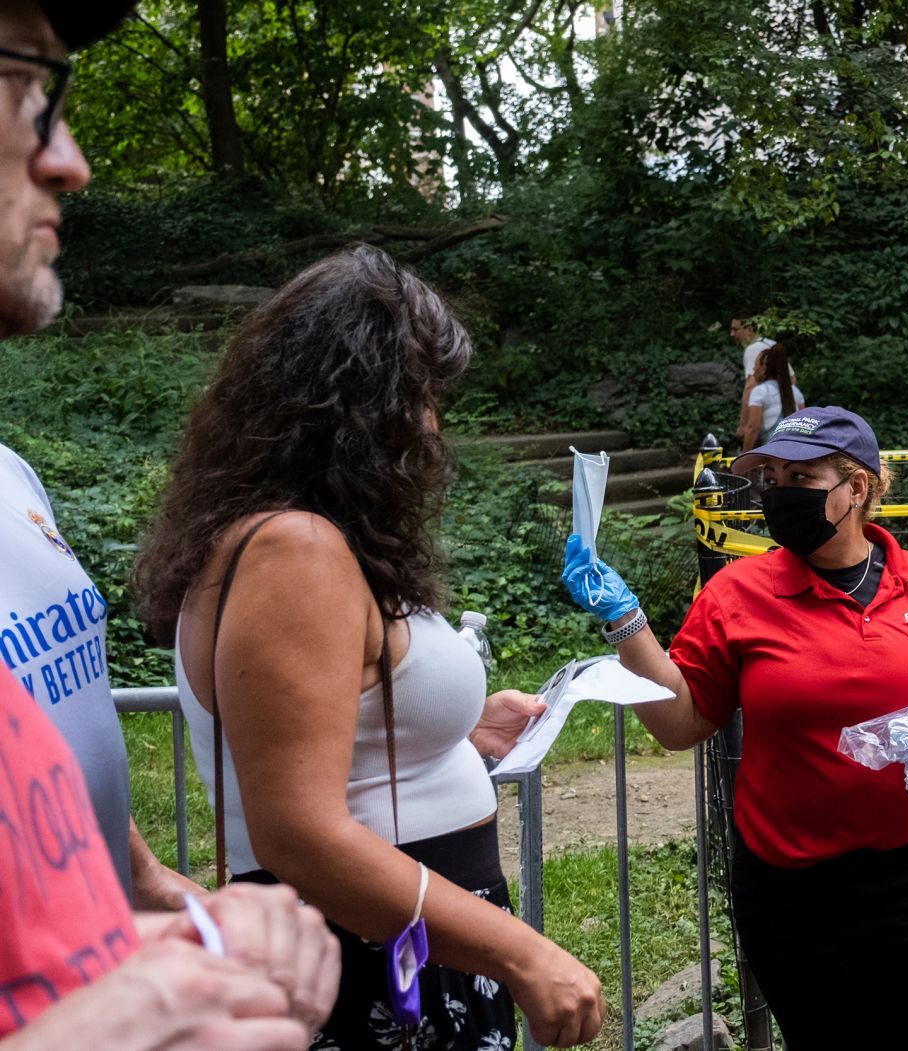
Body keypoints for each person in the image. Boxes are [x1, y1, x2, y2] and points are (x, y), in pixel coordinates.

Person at [132, 247, 604, 1050]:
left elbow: (334, 741)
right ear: (359, 406)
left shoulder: (302, 537)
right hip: (369, 959)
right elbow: (298, 830)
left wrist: (450, 734)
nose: (432, 425)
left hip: (406, 940)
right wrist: (520, 952)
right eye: (420, 397)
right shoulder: (295, 550)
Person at [0, 3, 339, 1048]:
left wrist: (172, 910)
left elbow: (54, 788)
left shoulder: (12, 478)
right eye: (27, 94)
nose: (71, 162)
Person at [562, 406, 908, 1049]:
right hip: (795, 891)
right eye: (770, 477)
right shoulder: (737, 593)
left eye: (800, 478)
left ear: (856, 488)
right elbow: (681, 724)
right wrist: (626, 624)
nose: (778, 493)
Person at [740, 341, 805, 451]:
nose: (754, 370)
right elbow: (804, 423)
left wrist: (744, 456)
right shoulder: (795, 391)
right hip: (796, 451)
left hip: (773, 453)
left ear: (764, 368)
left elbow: (753, 428)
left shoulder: (760, 391)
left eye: (755, 365)